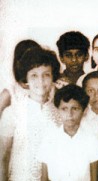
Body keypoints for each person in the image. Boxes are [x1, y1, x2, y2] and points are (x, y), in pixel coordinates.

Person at [0, 47, 61, 181]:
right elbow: (3, 157)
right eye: (34, 75)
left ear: (53, 77)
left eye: (46, 75)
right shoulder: (12, 112)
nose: (40, 81)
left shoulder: (59, 114)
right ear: (25, 78)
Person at [38, 84, 98, 181]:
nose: (69, 114)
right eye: (64, 109)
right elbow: (44, 178)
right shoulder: (49, 140)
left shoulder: (91, 140)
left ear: (84, 111)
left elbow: (95, 179)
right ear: (58, 110)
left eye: (75, 108)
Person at [0, 40, 41, 117]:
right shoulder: (11, 91)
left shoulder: (48, 86)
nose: (32, 64)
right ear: (18, 63)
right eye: (27, 60)